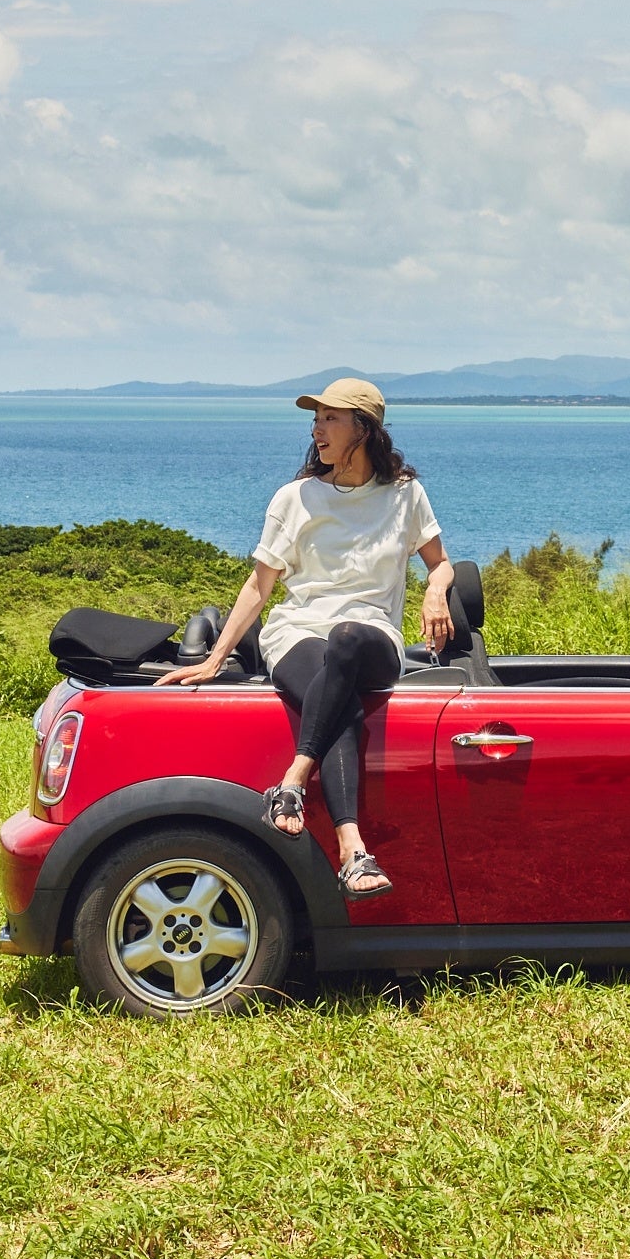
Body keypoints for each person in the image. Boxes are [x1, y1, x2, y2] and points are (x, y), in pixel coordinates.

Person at [159, 377, 453, 898]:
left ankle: (293, 779)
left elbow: (441, 565)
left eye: (330, 418)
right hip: (295, 634)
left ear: (364, 428)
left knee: (345, 640)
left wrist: (435, 590)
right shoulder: (295, 497)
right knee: (340, 701)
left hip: (371, 637)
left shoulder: (406, 494)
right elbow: (260, 584)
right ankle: (352, 850)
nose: (317, 428)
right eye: (315, 418)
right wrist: (215, 659)